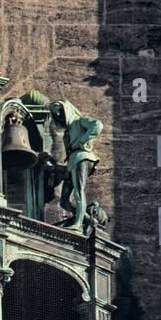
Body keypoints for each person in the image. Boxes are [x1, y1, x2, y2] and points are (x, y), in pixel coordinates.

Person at [51, 99, 104, 231]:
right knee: (63, 201)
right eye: (56, 114)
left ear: (67, 110)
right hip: (72, 162)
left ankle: (78, 223)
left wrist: (82, 140)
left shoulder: (80, 121)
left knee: (79, 192)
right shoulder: (67, 131)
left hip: (81, 157)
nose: (59, 115)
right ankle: (86, 217)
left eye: (60, 111)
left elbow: (98, 125)